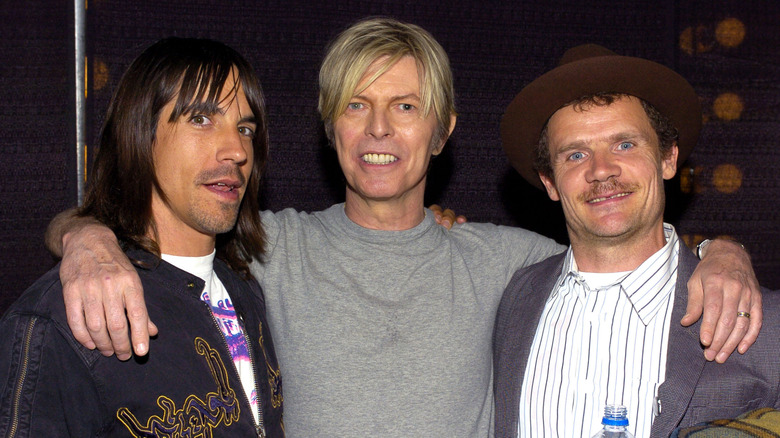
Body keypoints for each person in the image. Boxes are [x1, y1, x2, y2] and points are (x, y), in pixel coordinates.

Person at [46, 19, 760, 437]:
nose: (380, 129)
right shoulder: (267, 246)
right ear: (330, 129)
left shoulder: (507, 261)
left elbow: (622, 242)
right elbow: (133, 218)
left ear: (443, 130)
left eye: (406, 106)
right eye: (356, 105)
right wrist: (86, 243)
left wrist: (719, 254)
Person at [0, 37, 284, 437]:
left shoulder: (247, 291)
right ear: (139, 135)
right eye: (201, 119)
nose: (237, 149)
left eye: (245, 127)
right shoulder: (68, 316)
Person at [493, 43, 779, 438]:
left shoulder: (767, 322)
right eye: (575, 155)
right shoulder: (509, 302)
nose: (601, 170)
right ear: (549, 182)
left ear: (667, 158)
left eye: (625, 145)